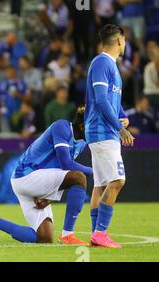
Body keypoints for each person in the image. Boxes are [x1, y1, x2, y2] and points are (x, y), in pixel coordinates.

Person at [0, 107, 91, 245]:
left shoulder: (81, 143)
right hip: (27, 176)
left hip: (32, 182)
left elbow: (60, 173)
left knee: (44, 238)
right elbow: (66, 164)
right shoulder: (62, 127)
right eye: (94, 126)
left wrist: (49, 198)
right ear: (82, 126)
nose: (96, 131)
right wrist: (94, 171)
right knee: (79, 178)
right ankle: (68, 234)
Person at [84, 24, 134, 248]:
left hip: (104, 130)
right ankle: (101, 233)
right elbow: (101, 100)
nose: (125, 44)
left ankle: (96, 234)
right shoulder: (102, 62)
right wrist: (120, 127)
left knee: (101, 185)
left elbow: (112, 100)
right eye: (124, 40)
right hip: (102, 131)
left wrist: (123, 117)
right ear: (120, 41)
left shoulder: (109, 65)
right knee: (118, 181)